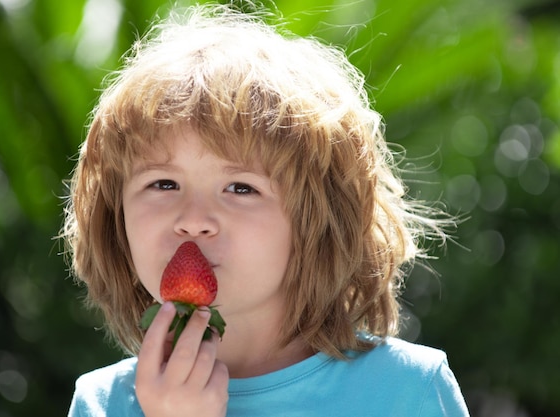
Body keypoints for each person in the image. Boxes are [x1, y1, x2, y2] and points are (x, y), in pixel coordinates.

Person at [62, 3, 469, 416]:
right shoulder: (101, 403)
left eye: (240, 187)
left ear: (317, 220)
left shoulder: (405, 391)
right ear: (115, 218)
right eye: (163, 183)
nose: (193, 220)